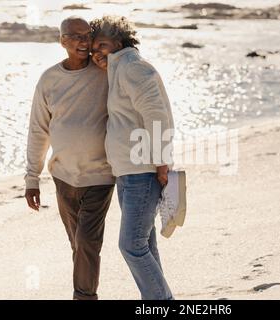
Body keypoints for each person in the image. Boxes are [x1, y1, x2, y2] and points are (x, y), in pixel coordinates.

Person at [24, 16, 115, 300]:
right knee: (78, 244)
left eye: (86, 35)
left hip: (101, 175)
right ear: (62, 41)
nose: (82, 41)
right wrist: (31, 178)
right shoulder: (49, 79)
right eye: (74, 36)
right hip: (63, 177)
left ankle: (84, 296)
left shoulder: (105, 72)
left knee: (88, 241)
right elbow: (38, 129)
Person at [90, 16, 174, 300]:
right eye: (93, 49)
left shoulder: (132, 67)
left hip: (143, 171)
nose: (97, 52)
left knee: (131, 246)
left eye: (102, 44)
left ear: (119, 41)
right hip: (127, 172)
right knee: (145, 245)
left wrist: (162, 165)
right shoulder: (119, 69)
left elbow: (157, 116)